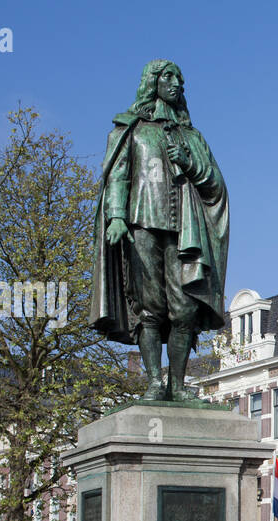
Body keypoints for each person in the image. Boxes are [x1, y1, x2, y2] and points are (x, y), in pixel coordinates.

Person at [90, 59, 230, 402]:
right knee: (150, 307)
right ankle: (155, 381)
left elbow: (215, 186)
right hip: (141, 223)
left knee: (183, 309)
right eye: (169, 76)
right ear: (152, 82)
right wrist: (117, 216)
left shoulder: (192, 137)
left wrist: (189, 162)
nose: (177, 83)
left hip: (185, 230)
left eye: (180, 78)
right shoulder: (132, 129)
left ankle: (178, 386)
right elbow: (118, 176)